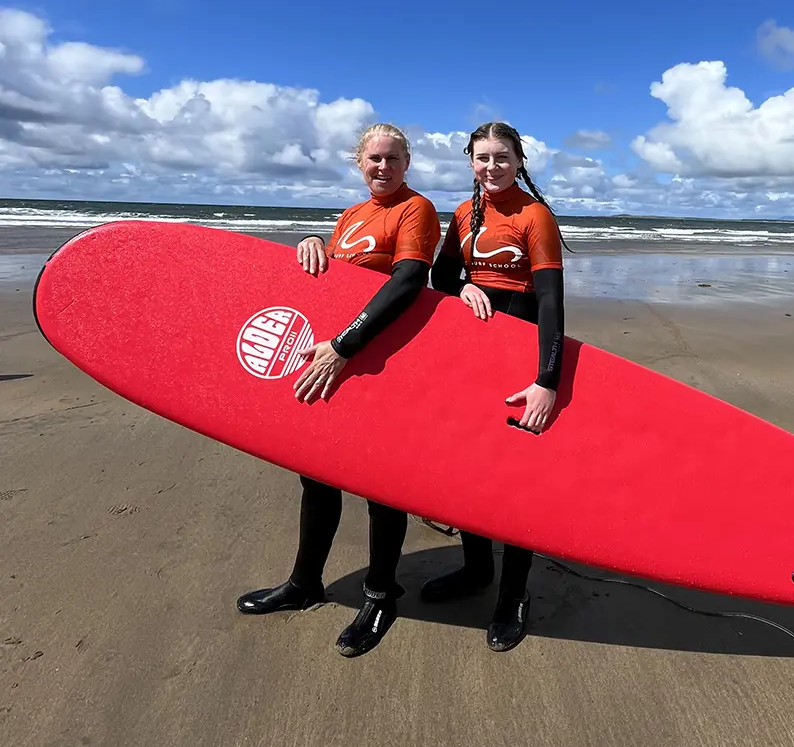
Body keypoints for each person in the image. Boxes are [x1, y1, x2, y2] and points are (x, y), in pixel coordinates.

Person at [236, 122, 441, 659]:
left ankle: (380, 594)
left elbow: (407, 282)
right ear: (359, 162)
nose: (383, 167)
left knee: (380, 485)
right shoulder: (351, 215)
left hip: (379, 365)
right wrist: (309, 245)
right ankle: (304, 583)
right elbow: (335, 281)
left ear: (407, 162)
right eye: (374, 158)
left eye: (393, 159)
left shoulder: (415, 209)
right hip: (335, 366)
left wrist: (345, 346)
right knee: (317, 476)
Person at [423, 120, 570, 652]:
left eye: (501, 157)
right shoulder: (464, 214)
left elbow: (552, 301)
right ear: (470, 161)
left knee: (515, 479)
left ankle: (513, 595)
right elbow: (440, 277)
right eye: (482, 158)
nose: (492, 167)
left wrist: (546, 381)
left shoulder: (534, 215)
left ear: (518, 160)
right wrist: (463, 288)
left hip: (523, 350)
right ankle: (476, 569)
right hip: (476, 354)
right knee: (469, 468)